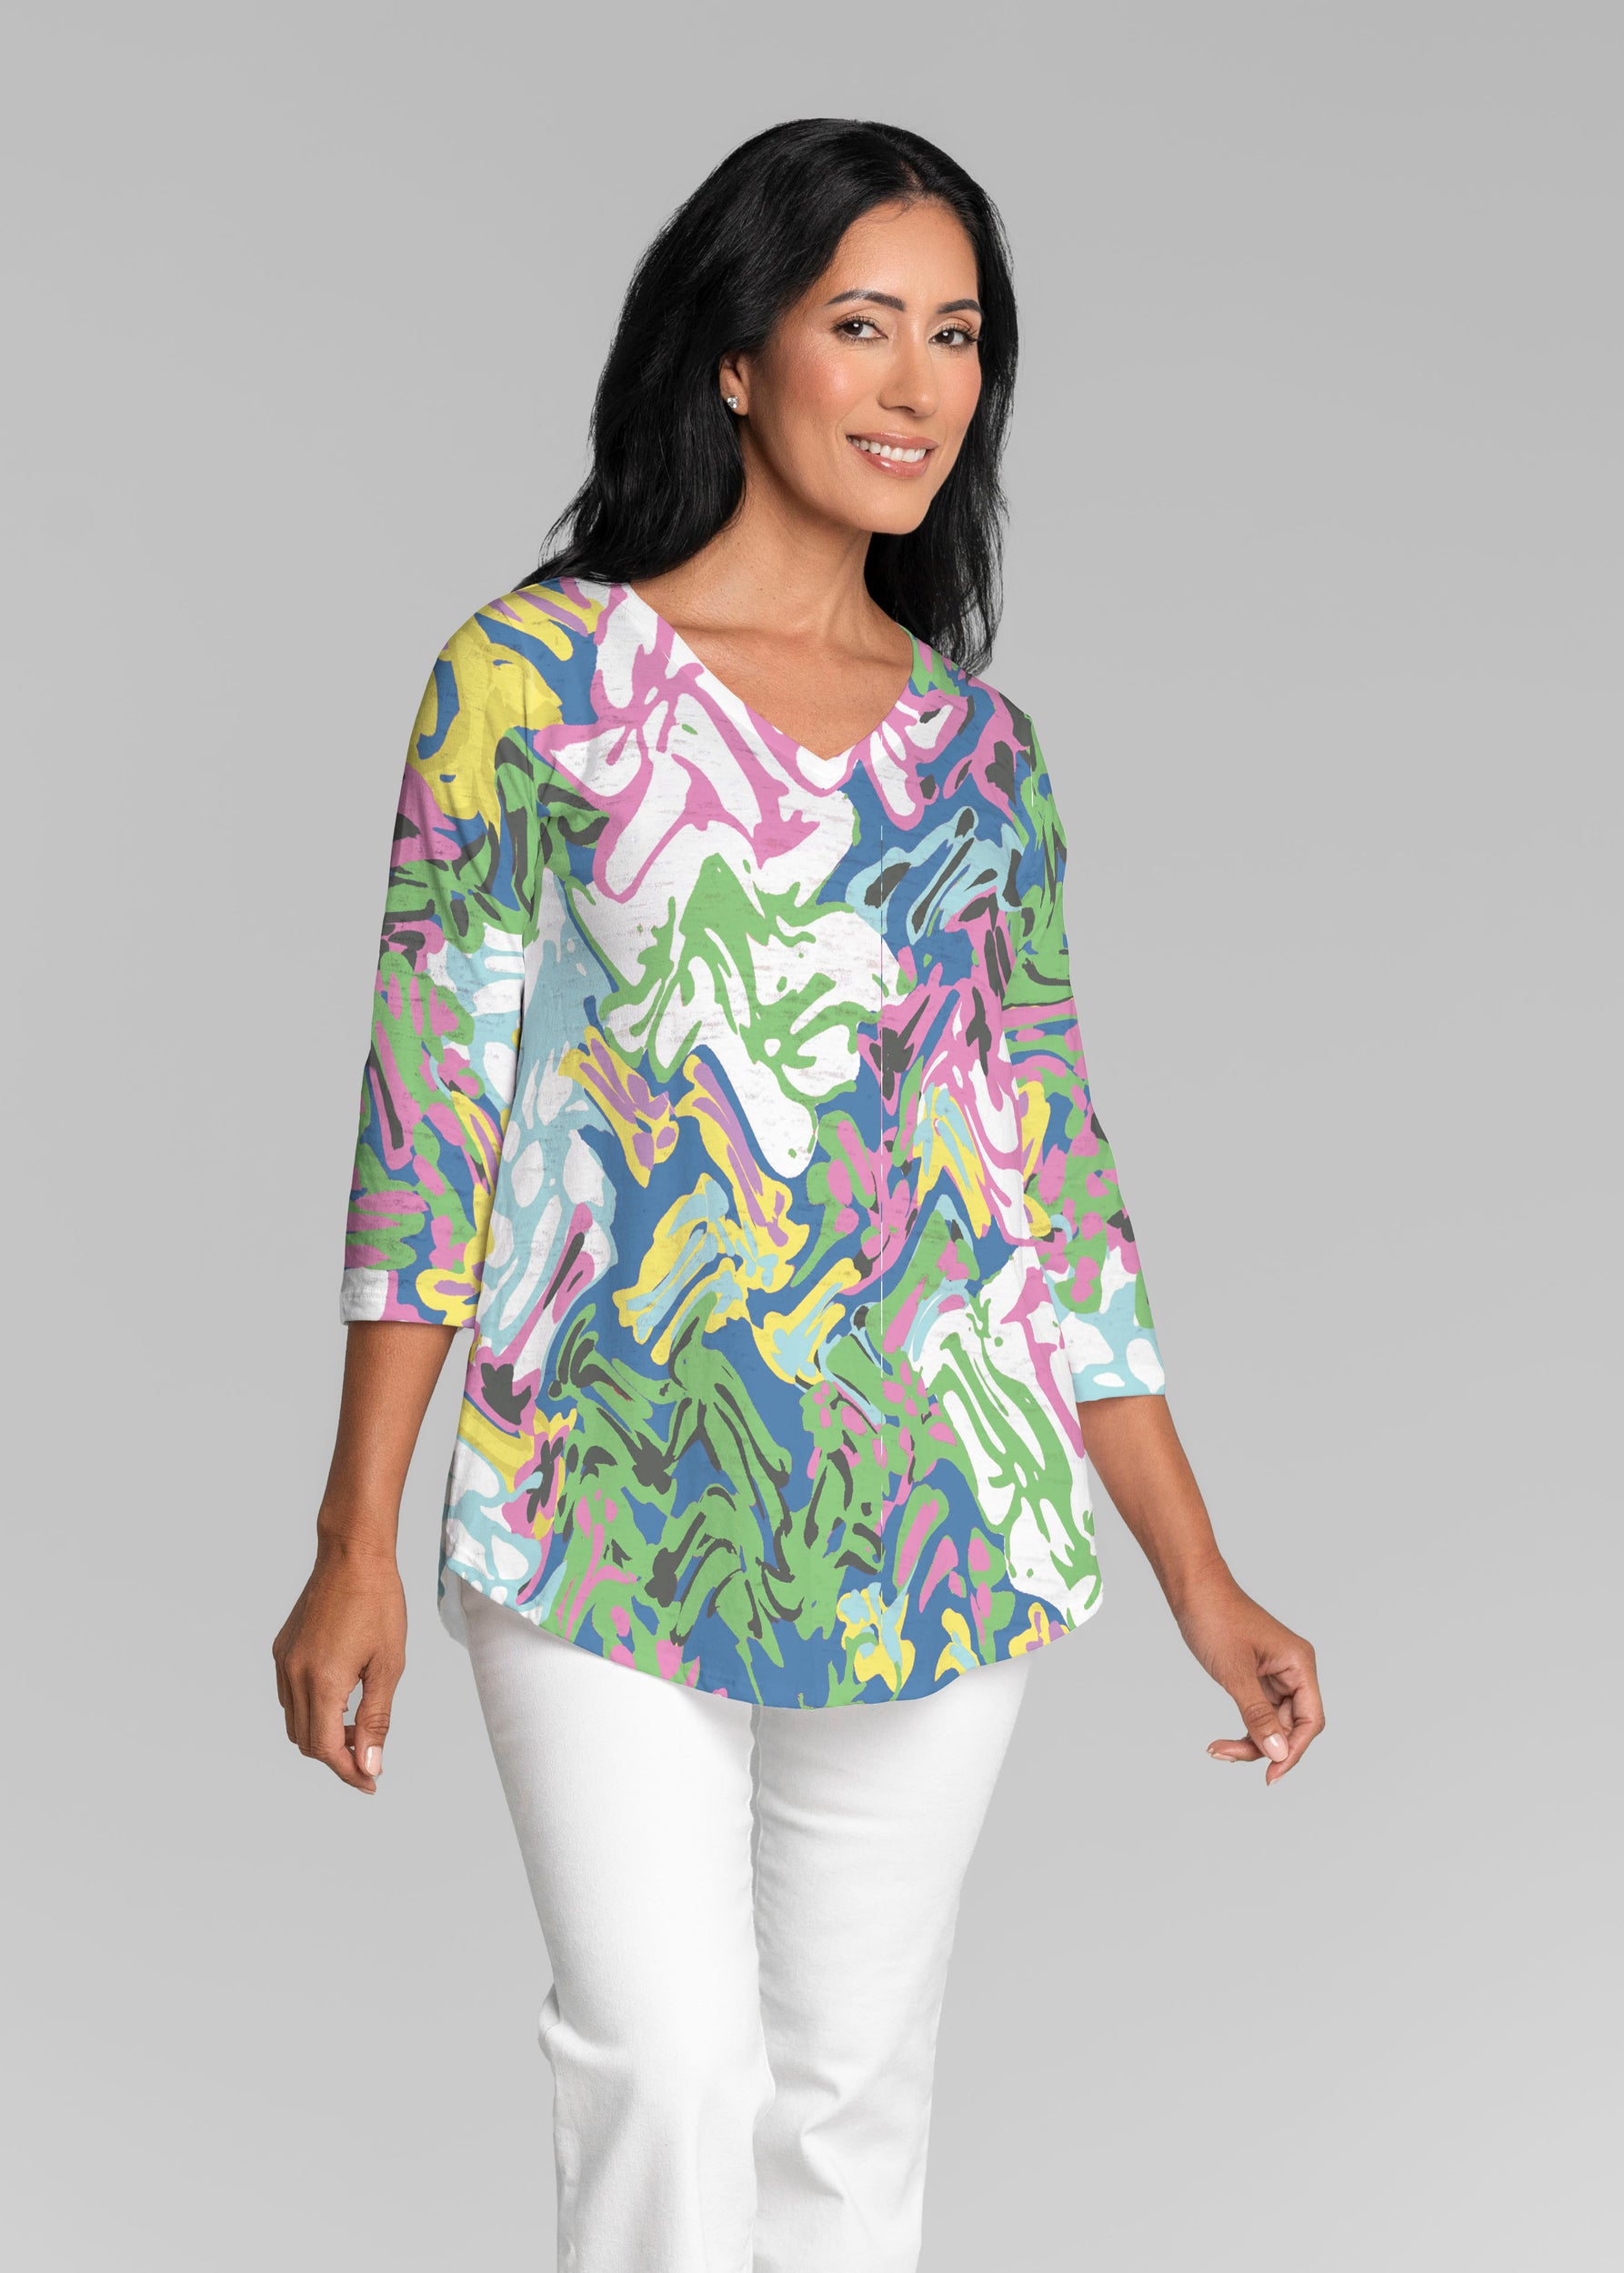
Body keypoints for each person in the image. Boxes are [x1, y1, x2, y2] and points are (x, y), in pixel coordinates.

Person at [273, 116, 1325, 2273]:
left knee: (848, 2112)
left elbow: (1053, 1183)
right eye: (863, 324)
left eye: (958, 334)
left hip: (935, 1502)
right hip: (591, 1488)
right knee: (664, 2066)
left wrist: (1197, 1566)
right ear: (735, 356)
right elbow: (427, 1118)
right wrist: (349, 1535)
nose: (919, 382)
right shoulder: (529, 683)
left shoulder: (981, 759)